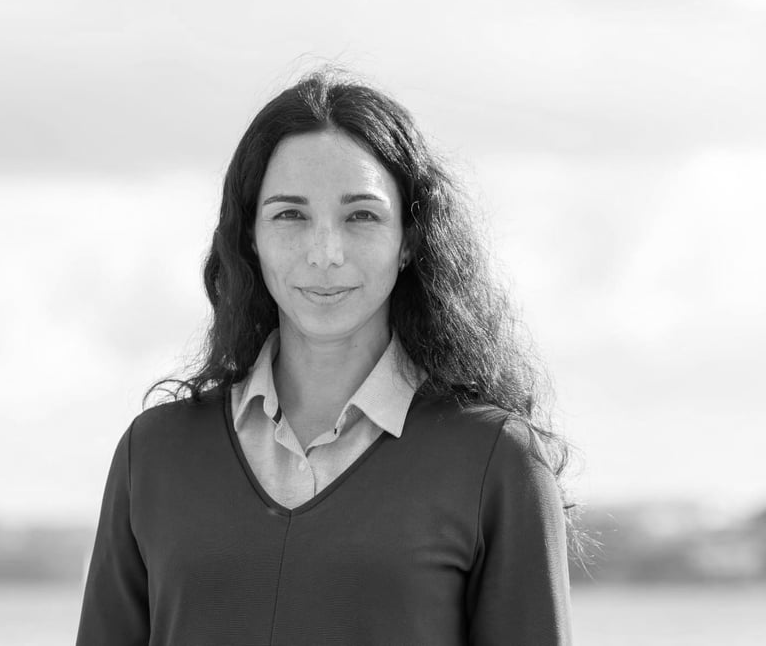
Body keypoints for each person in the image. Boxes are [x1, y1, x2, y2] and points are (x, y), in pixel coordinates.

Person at [76, 67, 575, 645]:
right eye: (291, 214)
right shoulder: (154, 455)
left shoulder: (497, 459)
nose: (325, 253)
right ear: (249, 237)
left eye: (361, 215)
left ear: (410, 239)